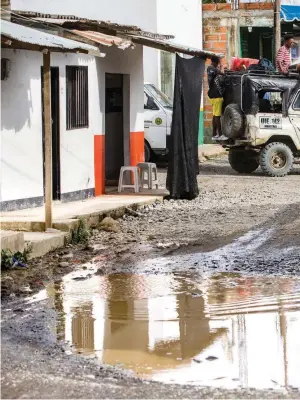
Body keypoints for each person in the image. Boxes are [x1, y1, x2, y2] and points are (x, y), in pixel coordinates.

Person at [207, 55, 225, 140]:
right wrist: (222, 68)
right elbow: (221, 73)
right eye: (217, 63)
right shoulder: (212, 69)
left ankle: (214, 134)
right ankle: (220, 134)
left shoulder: (210, 69)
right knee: (217, 116)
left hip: (212, 95)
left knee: (214, 115)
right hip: (216, 95)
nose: (218, 64)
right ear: (215, 62)